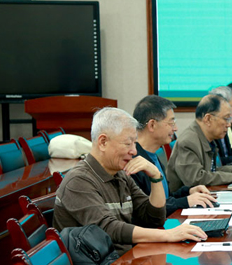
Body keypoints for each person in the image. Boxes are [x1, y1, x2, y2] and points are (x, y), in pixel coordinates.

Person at [53, 107, 207, 254]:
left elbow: (154, 219)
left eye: (134, 143)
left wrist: (155, 177)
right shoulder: (78, 181)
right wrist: (169, 235)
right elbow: (108, 229)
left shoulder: (120, 174)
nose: (134, 151)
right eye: (128, 143)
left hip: (125, 259)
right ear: (103, 142)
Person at [130, 95, 216, 214]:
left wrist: (188, 192)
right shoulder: (134, 163)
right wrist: (185, 201)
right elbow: (150, 210)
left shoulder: (153, 155)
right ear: (152, 125)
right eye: (171, 123)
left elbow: (165, 198)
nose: (175, 128)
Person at [166, 94, 232, 192]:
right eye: (226, 118)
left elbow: (211, 171)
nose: (229, 124)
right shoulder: (188, 142)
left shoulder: (207, 137)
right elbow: (196, 179)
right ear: (208, 119)